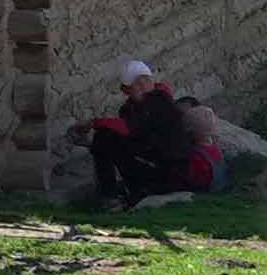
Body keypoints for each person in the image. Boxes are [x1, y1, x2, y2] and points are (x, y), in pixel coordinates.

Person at [86, 59, 214, 208]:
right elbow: (136, 136)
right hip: (155, 164)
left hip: (171, 175)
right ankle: (115, 194)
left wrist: (93, 123)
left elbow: (129, 128)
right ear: (125, 90)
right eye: (137, 83)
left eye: (145, 80)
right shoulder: (132, 108)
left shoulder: (159, 101)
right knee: (105, 139)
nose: (142, 85)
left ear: (151, 81)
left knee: (104, 137)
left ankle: (113, 196)